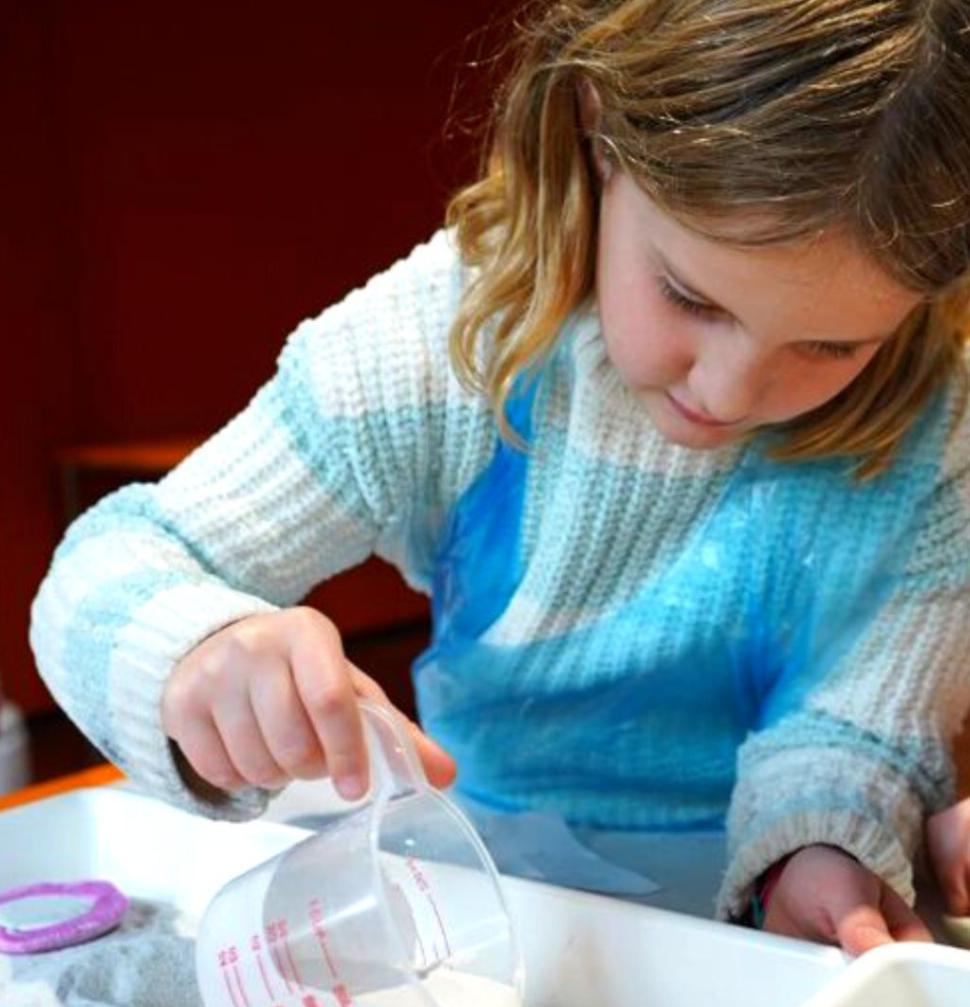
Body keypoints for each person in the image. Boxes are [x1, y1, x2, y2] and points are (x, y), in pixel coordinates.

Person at [31, 0, 970, 956]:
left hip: (755, 929)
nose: (729, 390)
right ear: (599, 133)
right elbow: (108, 569)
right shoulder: (446, 340)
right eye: (690, 296)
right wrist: (199, 648)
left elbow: (851, 722)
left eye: (831, 344)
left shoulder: (937, 436)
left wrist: (815, 845)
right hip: (484, 897)